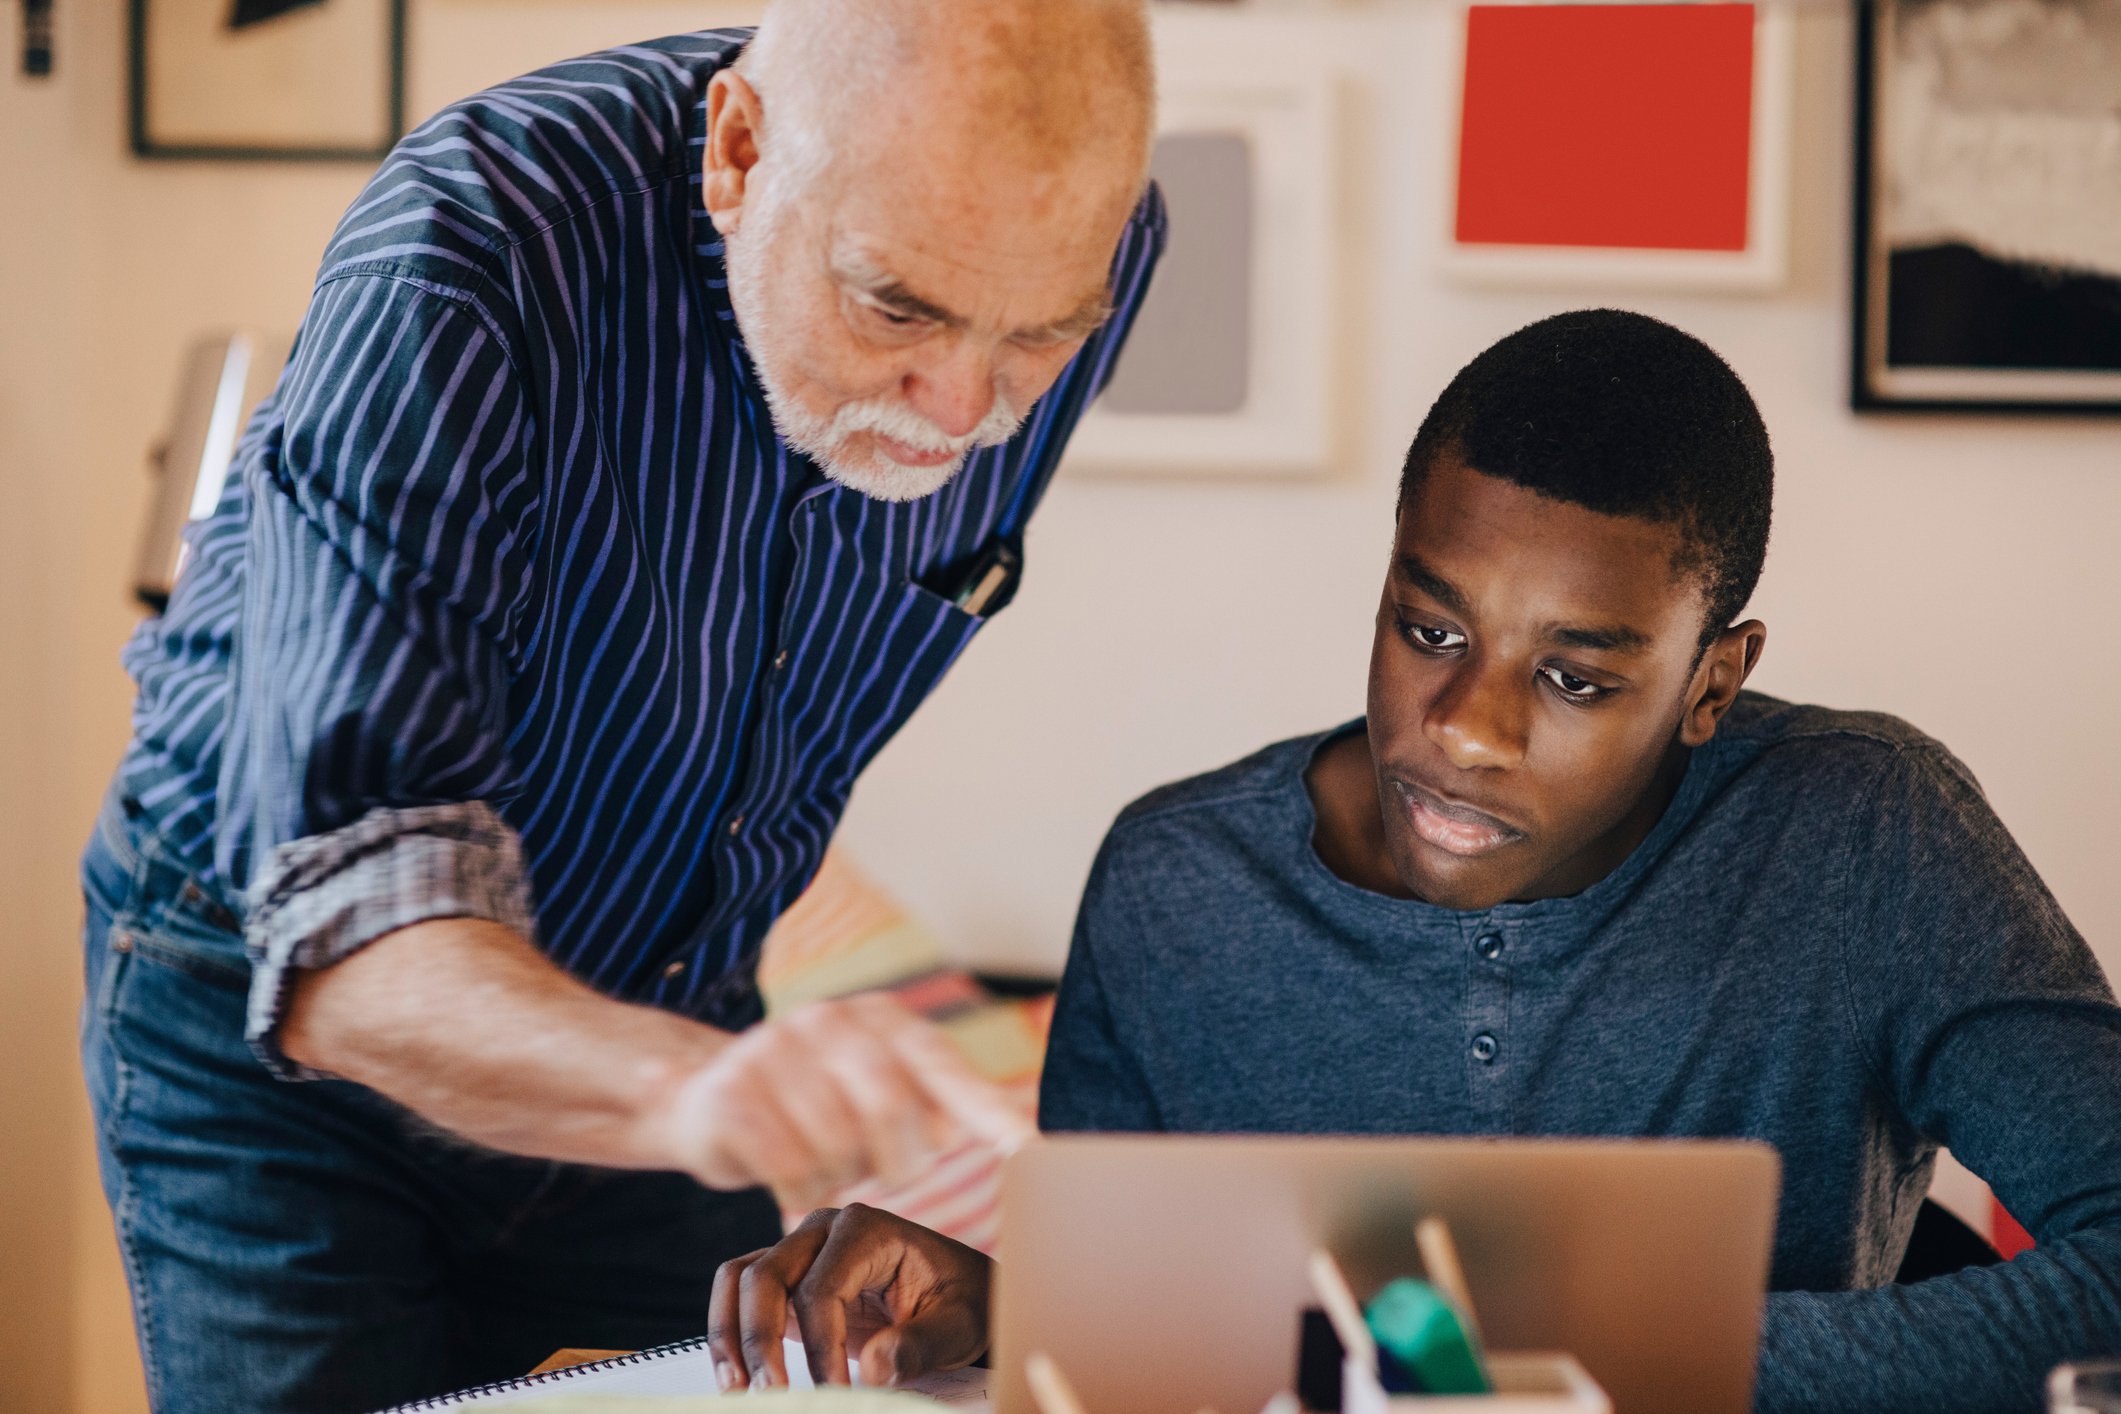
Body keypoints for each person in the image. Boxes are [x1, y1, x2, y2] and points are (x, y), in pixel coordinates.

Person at [710, 311, 2121, 1413]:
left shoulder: (1867, 835)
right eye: (1429, 630)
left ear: (1711, 681)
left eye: (1574, 678)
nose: (1464, 733)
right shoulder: (1176, 883)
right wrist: (1009, 1304)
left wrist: (1592, 1366)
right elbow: (1154, 1319)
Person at [80, 2, 1163, 1410]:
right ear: (738, 149)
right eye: (895, 307)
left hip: (663, 993)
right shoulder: (466, 251)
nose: (961, 406)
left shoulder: (1087, 248)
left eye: (1037, 337)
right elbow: (345, 929)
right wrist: (682, 1095)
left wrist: (686, 1073)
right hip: (285, 1021)